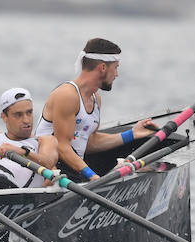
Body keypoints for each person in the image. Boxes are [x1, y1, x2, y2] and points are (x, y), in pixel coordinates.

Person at [35, 38, 157, 181]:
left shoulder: (95, 98)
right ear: (102, 68)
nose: (117, 74)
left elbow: (90, 141)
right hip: (48, 174)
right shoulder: (67, 95)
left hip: (71, 170)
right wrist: (91, 175)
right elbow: (62, 146)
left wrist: (132, 134)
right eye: (116, 67)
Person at [0, 88, 60, 190]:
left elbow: (48, 162)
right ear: (4, 117)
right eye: (18, 115)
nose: (26, 120)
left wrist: (19, 151)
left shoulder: (43, 141)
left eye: (29, 112)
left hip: (13, 193)